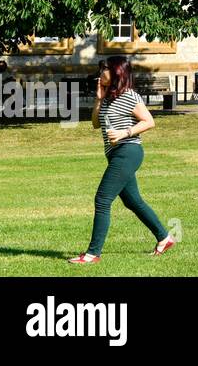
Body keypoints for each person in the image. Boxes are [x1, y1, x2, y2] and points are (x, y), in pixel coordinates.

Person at [70, 56, 175, 263]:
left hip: (128, 151)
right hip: (115, 154)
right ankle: (165, 237)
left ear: (117, 72)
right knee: (133, 201)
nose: (100, 74)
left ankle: (93, 254)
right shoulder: (108, 97)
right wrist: (99, 98)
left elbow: (149, 121)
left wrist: (124, 133)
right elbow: (94, 124)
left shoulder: (129, 96)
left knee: (102, 199)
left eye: (104, 70)